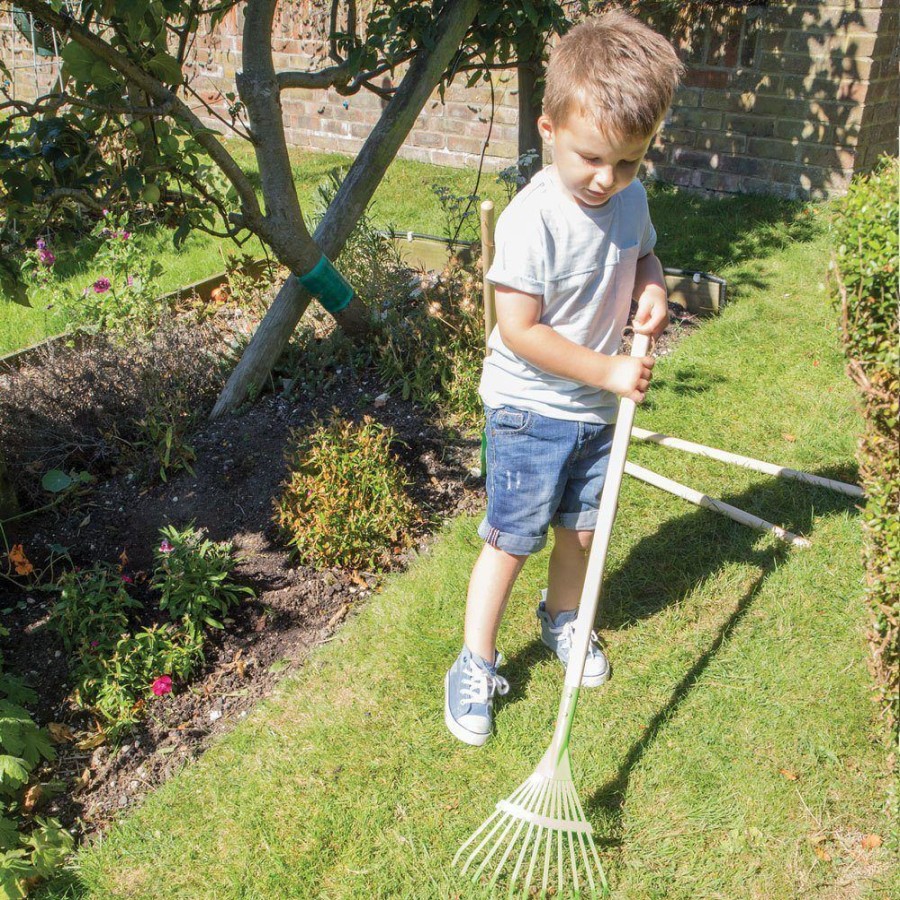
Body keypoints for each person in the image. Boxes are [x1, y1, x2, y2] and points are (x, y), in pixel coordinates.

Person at [444, 9, 684, 746]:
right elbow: (520, 330)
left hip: (594, 408)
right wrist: (610, 369)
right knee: (513, 539)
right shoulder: (531, 221)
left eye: (629, 162)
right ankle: (474, 663)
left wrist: (653, 287)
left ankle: (564, 619)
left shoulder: (630, 200)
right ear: (548, 130)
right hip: (530, 408)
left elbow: (642, 255)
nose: (607, 180)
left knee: (583, 529)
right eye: (590, 158)